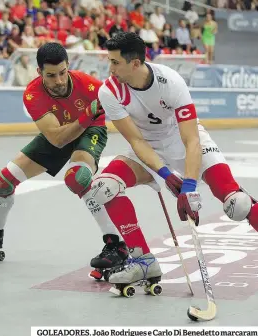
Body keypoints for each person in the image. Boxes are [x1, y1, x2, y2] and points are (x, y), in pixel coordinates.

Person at [86, 32, 258, 287]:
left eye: (115, 62)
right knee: (102, 188)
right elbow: (137, 142)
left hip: (185, 140)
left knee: (239, 204)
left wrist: (188, 186)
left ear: (135, 63)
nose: (110, 69)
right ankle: (144, 262)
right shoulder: (109, 91)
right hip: (147, 149)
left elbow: (191, 140)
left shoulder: (170, 81)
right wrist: (167, 176)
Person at [0, 42, 127, 265]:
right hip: (61, 131)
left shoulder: (90, 85)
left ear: (68, 66)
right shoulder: (32, 94)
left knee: (78, 178)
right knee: (1, 182)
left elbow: (127, 108)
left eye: (63, 73)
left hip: (91, 130)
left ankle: (117, 245)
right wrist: (87, 114)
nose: (59, 81)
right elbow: (57, 139)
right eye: (51, 75)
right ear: (39, 72)